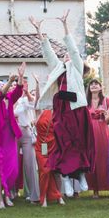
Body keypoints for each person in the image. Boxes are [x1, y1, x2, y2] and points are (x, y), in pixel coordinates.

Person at [29, 11, 94, 197]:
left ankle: (80, 175)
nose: (66, 55)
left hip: (76, 109)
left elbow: (73, 49)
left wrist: (65, 26)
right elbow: (48, 53)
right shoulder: (58, 69)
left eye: (68, 54)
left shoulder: (77, 67)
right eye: (64, 54)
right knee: (62, 143)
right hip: (62, 110)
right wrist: (38, 30)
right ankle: (65, 177)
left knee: (79, 143)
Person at [0, 63, 26, 209]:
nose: (1, 85)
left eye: (2, 84)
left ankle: (7, 194)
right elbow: (0, 95)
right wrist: (10, 81)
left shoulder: (9, 98)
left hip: (10, 136)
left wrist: (20, 77)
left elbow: (18, 91)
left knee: (11, 167)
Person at [32, 74, 64, 208]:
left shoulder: (56, 111)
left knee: (55, 171)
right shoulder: (39, 112)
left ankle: (59, 196)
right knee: (44, 171)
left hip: (54, 145)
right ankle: (43, 197)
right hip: (41, 146)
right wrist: (38, 85)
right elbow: (37, 100)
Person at [85, 79, 109, 198]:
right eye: (91, 84)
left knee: (106, 158)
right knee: (92, 159)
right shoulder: (86, 102)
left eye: (96, 84)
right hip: (90, 132)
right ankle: (95, 189)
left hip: (103, 131)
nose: (94, 85)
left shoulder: (106, 100)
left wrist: (105, 113)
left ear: (101, 87)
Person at [13, 82, 40, 203]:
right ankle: (11, 192)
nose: (14, 87)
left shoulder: (24, 100)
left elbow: (35, 103)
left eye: (16, 85)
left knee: (30, 163)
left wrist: (27, 92)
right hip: (12, 135)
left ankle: (34, 195)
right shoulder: (8, 101)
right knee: (12, 164)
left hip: (25, 132)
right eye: (12, 86)